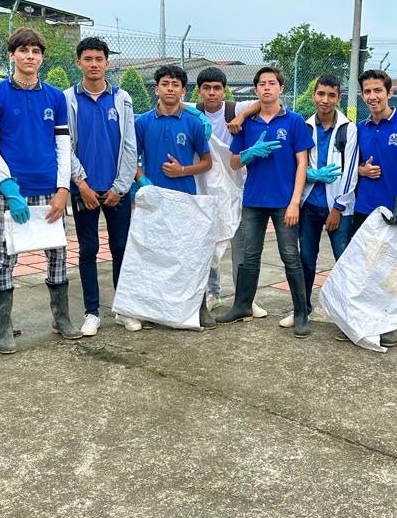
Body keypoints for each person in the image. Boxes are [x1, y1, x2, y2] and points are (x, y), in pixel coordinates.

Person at [0, 27, 77, 353]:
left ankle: (61, 318)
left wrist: (62, 189)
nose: (30, 57)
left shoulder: (55, 97)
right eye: (23, 51)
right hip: (13, 193)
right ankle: (4, 328)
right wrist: (8, 187)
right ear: (12, 55)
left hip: (50, 190)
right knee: (5, 258)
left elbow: (63, 146)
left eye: (36, 52)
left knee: (58, 255)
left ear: (42, 58)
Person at [217, 67, 314, 337]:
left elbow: (302, 164)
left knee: (290, 256)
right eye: (262, 84)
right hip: (253, 200)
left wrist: (294, 202)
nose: (267, 87)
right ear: (256, 90)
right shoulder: (247, 123)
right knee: (249, 256)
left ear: (281, 88)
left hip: (284, 201)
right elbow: (234, 162)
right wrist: (249, 153)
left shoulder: (294, 121)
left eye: (272, 83)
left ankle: (300, 313)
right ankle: (242, 306)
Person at [63, 36, 138, 337]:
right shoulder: (67, 98)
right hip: (84, 190)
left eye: (99, 59)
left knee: (121, 248)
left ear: (107, 63)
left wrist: (120, 187)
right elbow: (64, 145)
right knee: (88, 249)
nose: (93, 64)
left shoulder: (122, 98)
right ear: (78, 63)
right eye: (88, 59)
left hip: (116, 190)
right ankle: (91, 312)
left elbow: (130, 145)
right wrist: (81, 183)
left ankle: (123, 308)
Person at [132, 64, 213, 329]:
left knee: (188, 255)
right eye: (165, 84)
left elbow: (207, 162)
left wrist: (183, 171)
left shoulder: (193, 123)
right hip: (153, 201)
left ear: (183, 91)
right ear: (156, 89)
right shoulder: (142, 123)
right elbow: (131, 160)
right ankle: (153, 309)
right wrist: (143, 181)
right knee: (153, 256)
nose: (170, 89)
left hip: (185, 200)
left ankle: (198, 307)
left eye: (175, 85)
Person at [188, 66, 267, 319]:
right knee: (208, 244)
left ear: (224, 91)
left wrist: (240, 118)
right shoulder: (191, 110)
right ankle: (212, 293)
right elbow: (167, 102)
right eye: (206, 88)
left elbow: (263, 101)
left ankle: (244, 299)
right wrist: (197, 116)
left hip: (236, 187)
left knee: (240, 246)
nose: (212, 93)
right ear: (198, 91)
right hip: (204, 187)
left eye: (217, 88)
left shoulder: (235, 109)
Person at [353, 69, 397, 348]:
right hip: (365, 207)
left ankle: (389, 325)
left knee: (393, 269)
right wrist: (362, 171)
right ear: (362, 95)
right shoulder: (360, 128)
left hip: (396, 208)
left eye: (377, 91)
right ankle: (365, 322)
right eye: (367, 92)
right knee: (367, 268)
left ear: (389, 92)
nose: (372, 96)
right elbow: (353, 165)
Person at [287, 74, 358, 328]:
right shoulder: (305, 127)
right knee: (306, 259)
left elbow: (350, 171)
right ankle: (302, 309)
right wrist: (310, 174)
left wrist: (338, 207)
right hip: (309, 206)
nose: (325, 100)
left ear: (338, 98)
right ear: (314, 95)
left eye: (331, 95)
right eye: (321, 94)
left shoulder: (348, 129)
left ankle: (348, 316)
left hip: (338, 209)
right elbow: (297, 164)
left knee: (343, 261)